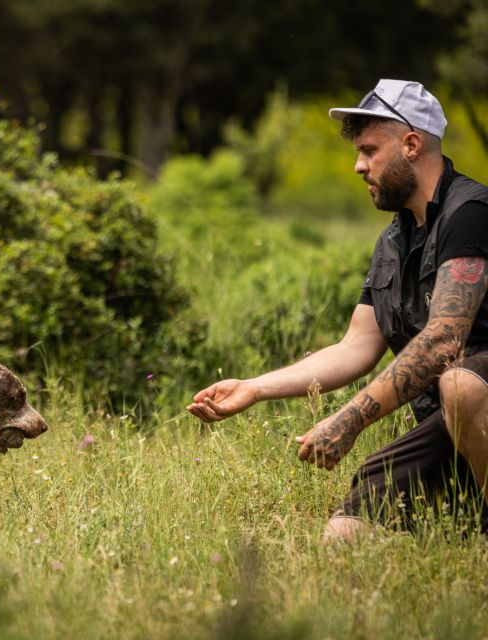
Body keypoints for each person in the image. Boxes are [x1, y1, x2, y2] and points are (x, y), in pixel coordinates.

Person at [186, 79, 488, 542]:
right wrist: (253, 388)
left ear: (411, 144)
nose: (357, 166)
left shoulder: (470, 213)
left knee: (461, 383)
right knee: (346, 536)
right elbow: (355, 347)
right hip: (445, 428)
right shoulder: (394, 239)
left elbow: (444, 340)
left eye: (369, 150)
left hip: (475, 404)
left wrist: (349, 419)